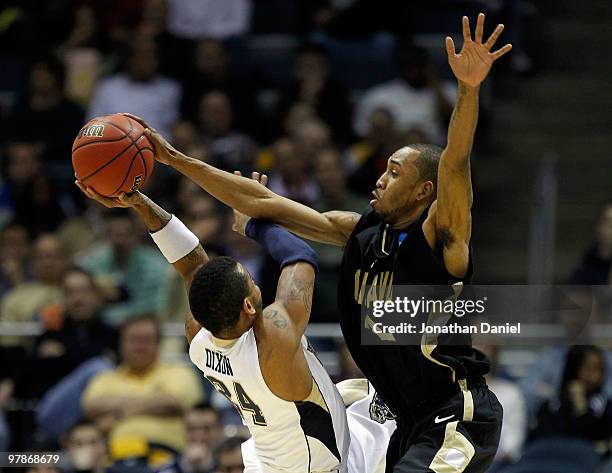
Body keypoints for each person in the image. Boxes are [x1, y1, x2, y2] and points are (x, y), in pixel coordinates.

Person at [128, 13, 512, 472]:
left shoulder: (441, 241)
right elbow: (262, 201)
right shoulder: (358, 230)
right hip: (401, 413)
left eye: (394, 173)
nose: (379, 178)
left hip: (454, 414)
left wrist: (467, 89)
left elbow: (454, 165)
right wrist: (174, 159)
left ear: (423, 192)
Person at [75, 182, 394, 472]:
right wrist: (253, 223)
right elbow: (300, 256)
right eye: (251, 281)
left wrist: (141, 204)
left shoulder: (199, 339)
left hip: (275, 458)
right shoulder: (273, 339)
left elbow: (189, 261)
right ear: (248, 306)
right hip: (319, 467)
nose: (256, 283)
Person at [81, 316, 203, 452]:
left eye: (146, 340)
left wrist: (118, 415)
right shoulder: (105, 378)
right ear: (121, 344)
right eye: (133, 340)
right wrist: (153, 400)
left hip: (167, 456)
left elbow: (172, 403)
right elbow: (91, 407)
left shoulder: (179, 372)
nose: (139, 346)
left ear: (158, 344)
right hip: (113, 458)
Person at [531, 345, 612, 454]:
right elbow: (545, 440)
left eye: (599, 370)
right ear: (573, 370)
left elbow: (596, 438)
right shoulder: (552, 406)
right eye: (589, 369)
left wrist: (581, 407)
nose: (596, 377)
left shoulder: (605, 407)